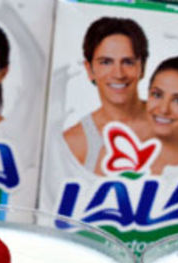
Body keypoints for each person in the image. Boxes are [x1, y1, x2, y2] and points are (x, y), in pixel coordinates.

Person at [63, 16, 151, 173]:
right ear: (89, 69)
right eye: (106, 62)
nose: (118, 74)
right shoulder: (74, 142)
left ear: (142, 67)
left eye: (128, 62)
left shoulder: (172, 123)